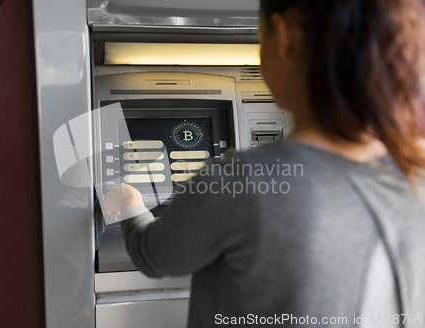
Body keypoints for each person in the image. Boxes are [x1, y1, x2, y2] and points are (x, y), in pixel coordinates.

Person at [103, 0, 425, 327]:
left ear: (286, 38)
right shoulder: (415, 174)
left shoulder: (241, 178)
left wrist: (131, 203)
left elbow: (156, 256)